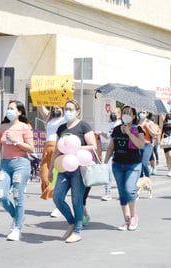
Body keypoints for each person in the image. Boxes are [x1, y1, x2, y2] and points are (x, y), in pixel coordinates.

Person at [0, 100, 35, 241]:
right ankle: (17, 217)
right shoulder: (3, 127)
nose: (9, 111)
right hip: (5, 165)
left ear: (19, 112)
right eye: (8, 108)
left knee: (18, 197)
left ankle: (17, 228)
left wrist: (17, 142)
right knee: (2, 196)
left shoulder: (25, 127)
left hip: (21, 164)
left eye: (12, 108)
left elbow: (31, 148)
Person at [48, 99, 97, 243]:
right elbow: (57, 150)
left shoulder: (83, 126)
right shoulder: (61, 128)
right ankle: (71, 222)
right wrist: (51, 169)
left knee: (77, 200)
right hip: (64, 168)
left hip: (79, 168)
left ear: (77, 111)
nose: (68, 112)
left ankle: (77, 231)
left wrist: (77, 148)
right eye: (66, 109)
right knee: (57, 197)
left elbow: (92, 145)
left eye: (71, 109)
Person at [104, 105, 145, 231]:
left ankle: (134, 217)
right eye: (124, 112)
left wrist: (129, 133)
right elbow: (111, 147)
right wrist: (105, 163)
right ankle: (126, 220)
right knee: (122, 194)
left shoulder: (138, 129)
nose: (126, 114)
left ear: (134, 116)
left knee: (129, 190)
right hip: (118, 164)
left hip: (133, 164)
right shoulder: (116, 129)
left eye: (129, 113)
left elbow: (141, 145)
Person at [37, 106, 66, 217]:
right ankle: (58, 199)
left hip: (58, 148)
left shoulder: (64, 119)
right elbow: (40, 107)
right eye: (54, 107)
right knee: (44, 175)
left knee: (55, 177)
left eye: (58, 107)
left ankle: (58, 206)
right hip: (47, 148)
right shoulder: (49, 117)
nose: (56, 109)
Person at [98, 107, 122, 201]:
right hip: (110, 150)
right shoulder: (110, 124)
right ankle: (107, 193)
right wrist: (100, 133)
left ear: (119, 115)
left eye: (115, 113)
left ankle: (122, 192)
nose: (112, 115)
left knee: (118, 173)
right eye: (111, 113)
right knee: (108, 172)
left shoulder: (121, 124)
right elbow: (108, 136)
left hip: (118, 151)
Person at [138, 110, 159, 178]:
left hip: (147, 145)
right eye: (140, 112)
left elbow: (154, 134)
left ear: (147, 114)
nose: (141, 114)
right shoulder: (137, 122)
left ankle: (147, 178)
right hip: (138, 145)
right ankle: (140, 179)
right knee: (138, 164)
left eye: (143, 113)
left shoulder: (149, 122)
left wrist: (147, 127)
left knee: (144, 163)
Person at [160, 112, 171, 177]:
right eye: (168, 114)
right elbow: (162, 132)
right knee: (167, 157)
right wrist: (160, 140)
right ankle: (169, 169)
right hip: (165, 140)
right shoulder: (165, 123)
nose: (169, 115)